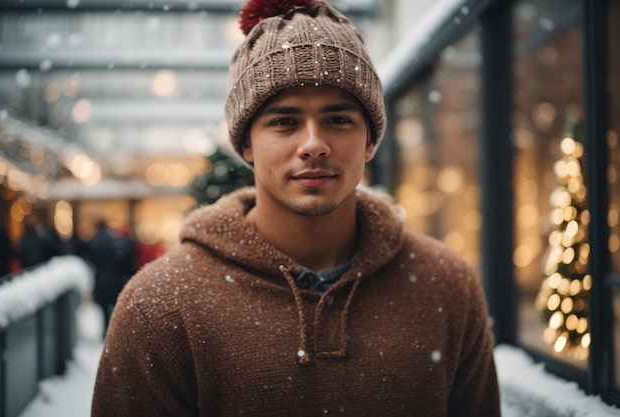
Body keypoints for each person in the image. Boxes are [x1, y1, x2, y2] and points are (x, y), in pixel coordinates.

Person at [92, 0, 501, 416]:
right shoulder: (159, 305)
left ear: (371, 141)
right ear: (246, 144)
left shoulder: (445, 284)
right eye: (284, 121)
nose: (313, 145)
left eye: (338, 120)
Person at [85, 219, 136, 336]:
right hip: (116, 279)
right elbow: (126, 261)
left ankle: (106, 330)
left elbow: (91, 260)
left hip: (101, 279)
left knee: (104, 309)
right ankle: (116, 330)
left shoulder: (94, 241)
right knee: (116, 306)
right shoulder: (116, 241)